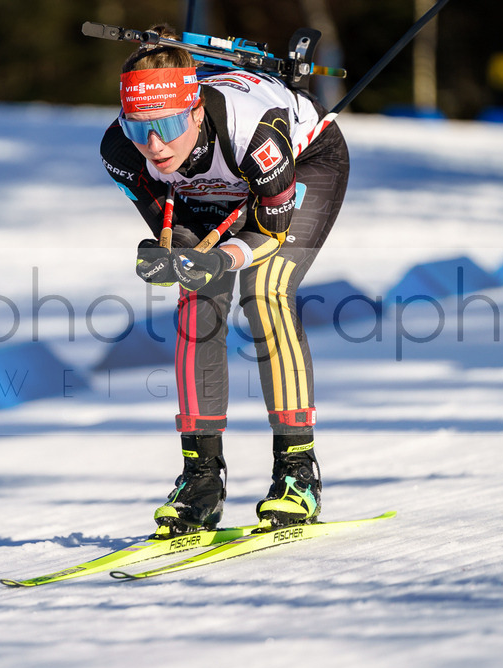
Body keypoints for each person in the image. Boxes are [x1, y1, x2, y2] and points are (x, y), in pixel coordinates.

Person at [99, 25, 350, 536]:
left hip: (302, 167)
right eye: (137, 127)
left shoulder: (255, 134)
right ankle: (200, 479)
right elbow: (180, 237)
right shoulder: (120, 151)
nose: (153, 144)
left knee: (266, 294)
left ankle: (297, 473)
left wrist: (222, 259)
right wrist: (168, 256)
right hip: (219, 192)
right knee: (198, 303)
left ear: (194, 111)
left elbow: (271, 231)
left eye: (168, 126)